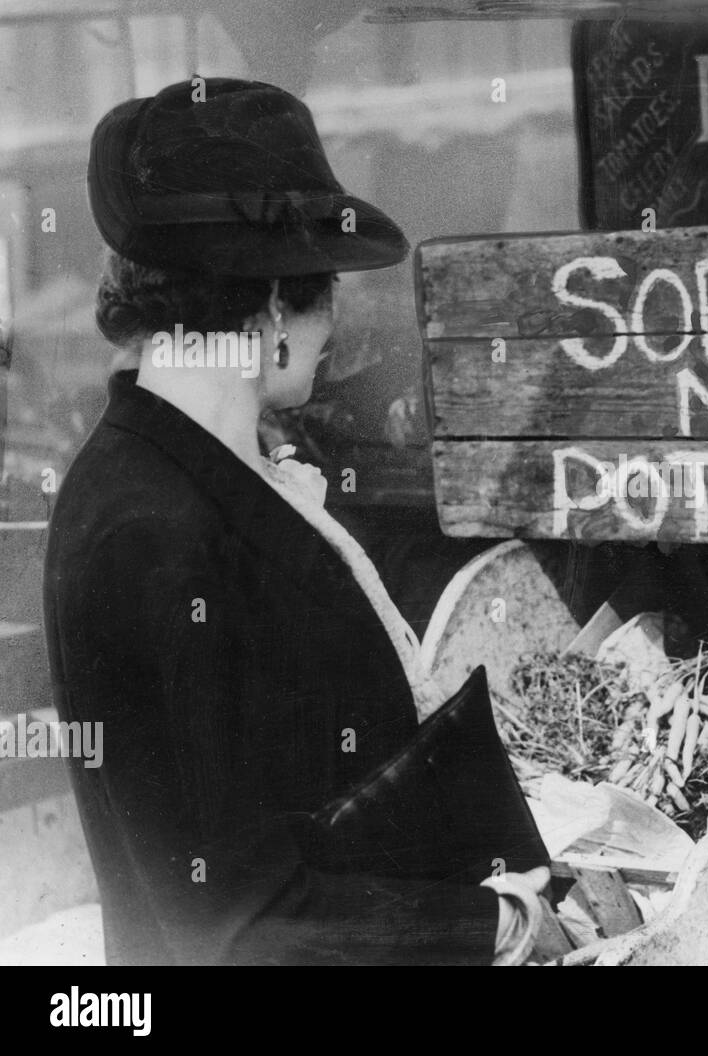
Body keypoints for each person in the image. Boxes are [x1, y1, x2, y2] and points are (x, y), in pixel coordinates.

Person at [43, 77, 548, 966]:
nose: (332, 326)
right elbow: (241, 924)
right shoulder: (153, 530)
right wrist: (501, 928)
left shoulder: (177, 473)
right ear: (276, 301)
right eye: (329, 289)